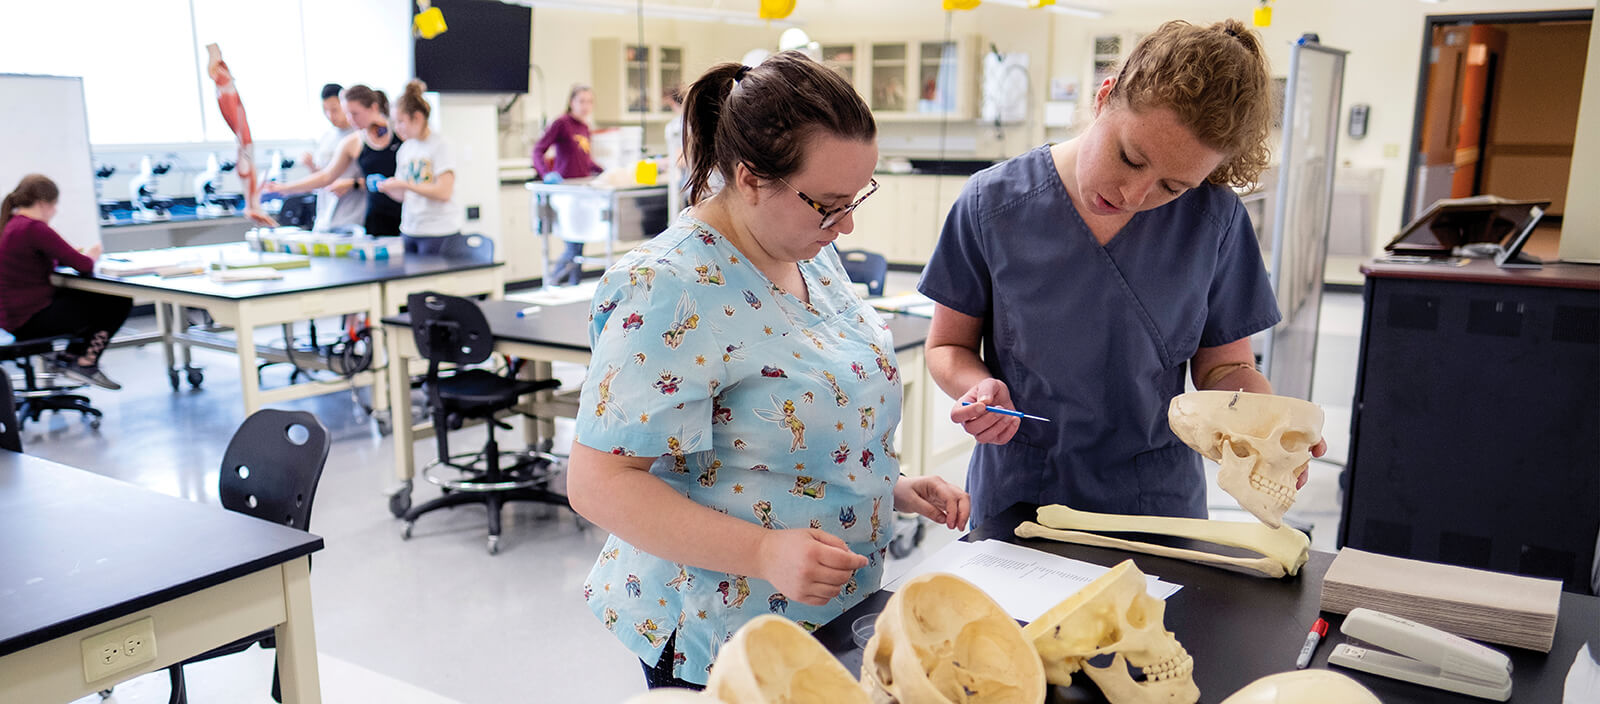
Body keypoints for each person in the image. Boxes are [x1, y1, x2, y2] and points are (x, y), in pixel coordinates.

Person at [567, 51, 970, 690]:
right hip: (724, 626)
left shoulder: (806, 249)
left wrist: (884, 482)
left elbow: (791, 414)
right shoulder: (669, 287)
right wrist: (762, 551)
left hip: (833, 610)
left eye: (856, 197)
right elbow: (599, 483)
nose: (847, 224)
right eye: (830, 204)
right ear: (752, 178)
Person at [918, 19, 1326, 530]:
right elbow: (946, 348)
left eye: (1172, 187)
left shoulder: (1214, 221)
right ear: (1104, 96)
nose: (1135, 196)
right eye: (1130, 157)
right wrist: (977, 388)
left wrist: (1272, 428)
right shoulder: (991, 204)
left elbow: (1225, 370)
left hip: (1155, 502)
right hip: (1023, 491)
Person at [0, 174, 132, 390]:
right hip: (29, 321)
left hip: (12, 318)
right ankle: (85, 362)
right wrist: (93, 254)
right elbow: (84, 265)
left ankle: (70, 356)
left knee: (88, 299)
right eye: (54, 205)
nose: (55, 211)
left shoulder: (12, 225)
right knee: (119, 301)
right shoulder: (34, 228)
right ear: (44, 204)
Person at [265, 85, 402, 236]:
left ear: (374, 108)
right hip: (376, 219)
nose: (351, 119)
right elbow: (326, 176)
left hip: (405, 216)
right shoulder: (353, 141)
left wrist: (354, 183)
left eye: (355, 114)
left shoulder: (401, 133)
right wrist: (286, 187)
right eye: (348, 114)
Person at [376, 80, 462, 255]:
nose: (397, 128)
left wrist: (406, 185)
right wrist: (389, 188)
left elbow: (444, 192)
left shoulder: (441, 145)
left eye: (401, 121)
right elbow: (404, 196)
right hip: (410, 229)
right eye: (394, 122)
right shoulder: (405, 149)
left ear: (418, 117)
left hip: (439, 231)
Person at [533, 84, 604, 285]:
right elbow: (538, 150)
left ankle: (573, 286)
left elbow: (585, 160)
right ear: (571, 102)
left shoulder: (585, 127)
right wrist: (546, 174)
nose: (585, 106)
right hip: (567, 191)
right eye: (581, 101)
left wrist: (604, 171)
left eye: (589, 101)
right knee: (573, 245)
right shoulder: (562, 123)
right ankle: (553, 282)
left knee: (579, 244)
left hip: (582, 191)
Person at [299, 82, 366, 232]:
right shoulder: (326, 137)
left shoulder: (359, 137)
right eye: (325, 110)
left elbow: (374, 180)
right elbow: (324, 177)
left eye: (335, 110)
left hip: (352, 218)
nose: (330, 116)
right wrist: (311, 167)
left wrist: (350, 183)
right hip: (324, 219)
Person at [662, 83, 687, 216]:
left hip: (696, 190)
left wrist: (659, 164)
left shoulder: (677, 126)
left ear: (672, 102)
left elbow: (682, 159)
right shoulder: (701, 121)